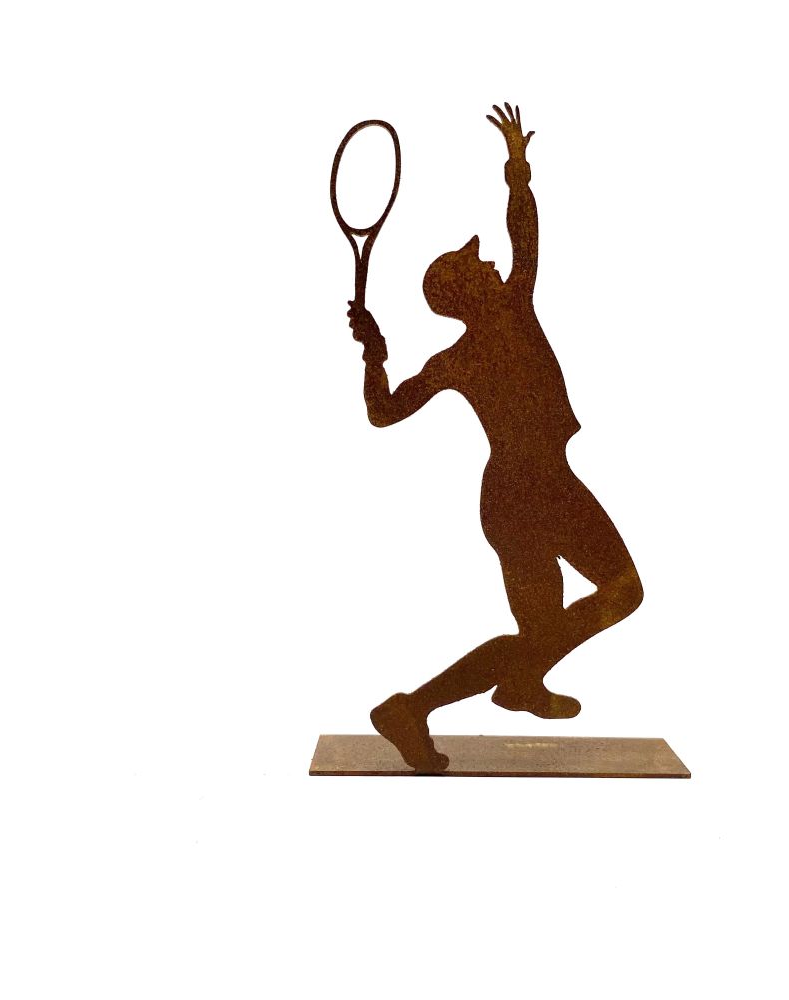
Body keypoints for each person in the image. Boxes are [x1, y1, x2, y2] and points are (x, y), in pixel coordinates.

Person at [346, 103, 643, 772]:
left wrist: (375, 356)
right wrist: (516, 172)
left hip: (516, 495)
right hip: (533, 492)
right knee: (620, 592)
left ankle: (484, 692)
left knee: (550, 629)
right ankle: (473, 690)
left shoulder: (462, 351)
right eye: (476, 266)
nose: (491, 266)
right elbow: (525, 239)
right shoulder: (507, 311)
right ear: (467, 291)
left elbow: (383, 410)